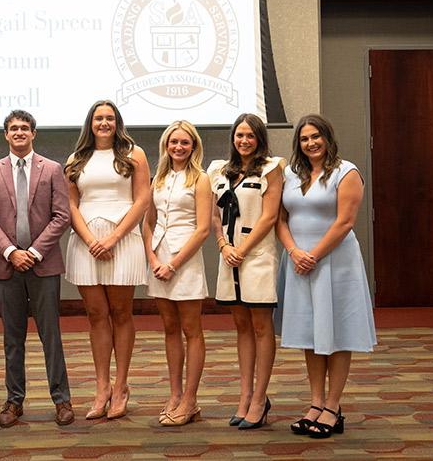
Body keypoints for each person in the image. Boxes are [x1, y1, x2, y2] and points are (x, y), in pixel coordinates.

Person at [275, 114, 376, 439]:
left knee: (337, 331)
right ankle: (316, 402)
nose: (310, 143)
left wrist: (314, 255)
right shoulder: (291, 174)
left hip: (335, 264)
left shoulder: (346, 171)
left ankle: (333, 406)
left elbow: (345, 222)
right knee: (309, 332)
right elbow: (280, 219)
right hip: (299, 262)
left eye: (315, 136)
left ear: (327, 137)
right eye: (304, 139)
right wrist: (294, 253)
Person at [0, 110, 74, 428]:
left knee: (51, 336)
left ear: (34, 133)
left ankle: (61, 400)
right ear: (6, 135)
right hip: (6, 267)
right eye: (13, 128)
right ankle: (14, 400)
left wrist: (31, 252)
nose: (19, 132)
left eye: (24, 128)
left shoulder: (52, 169)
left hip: (43, 265)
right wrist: (10, 252)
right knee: (12, 338)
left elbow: (61, 216)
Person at [64, 100, 150, 420]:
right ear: (90, 123)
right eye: (99, 118)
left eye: (109, 118)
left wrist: (113, 238)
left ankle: (122, 385)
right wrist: (91, 240)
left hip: (122, 240)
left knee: (121, 312)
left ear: (117, 122)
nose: (104, 123)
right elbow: (71, 204)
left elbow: (142, 199)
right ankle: (102, 387)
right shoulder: (76, 159)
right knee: (97, 314)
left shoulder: (134, 154)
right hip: (86, 242)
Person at [208, 112, 283, 430]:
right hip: (230, 258)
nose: (244, 141)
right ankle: (245, 394)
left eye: (250, 135)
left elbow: (269, 217)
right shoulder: (219, 170)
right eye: (239, 135)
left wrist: (242, 249)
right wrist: (224, 246)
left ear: (259, 139)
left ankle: (260, 398)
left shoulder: (272, 168)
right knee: (241, 326)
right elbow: (213, 215)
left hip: (257, 256)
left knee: (262, 327)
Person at [142, 120, 212, 427]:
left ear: (193, 146)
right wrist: (154, 259)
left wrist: (173, 263)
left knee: (191, 329)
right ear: (166, 146)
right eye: (173, 142)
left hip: (185, 259)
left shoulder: (201, 179)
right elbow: (147, 223)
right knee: (169, 328)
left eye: (184, 142)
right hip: (159, 259)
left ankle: (190, 399)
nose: (178, 147)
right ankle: (174, 394)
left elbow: (204, 228)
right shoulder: (157, 177)